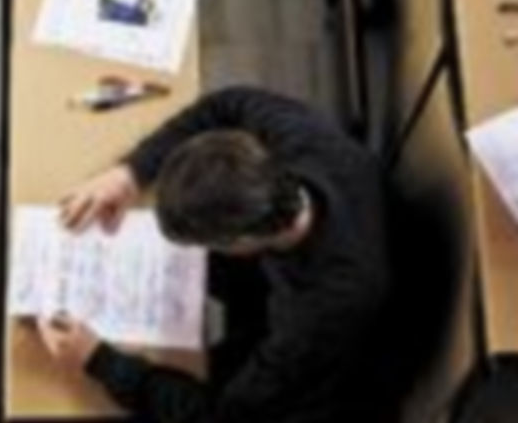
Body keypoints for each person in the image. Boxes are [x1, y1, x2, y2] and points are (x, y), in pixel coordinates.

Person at [33, 86, 394, 423]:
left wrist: (101, 362)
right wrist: (132, 172)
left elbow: (222, 415)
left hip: (358, 365)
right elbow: (225, 104)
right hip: (349, 243)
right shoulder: (294, 138)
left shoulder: (315, 316)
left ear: (240, 243)